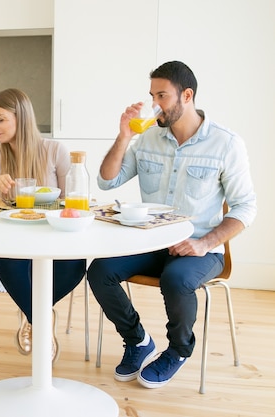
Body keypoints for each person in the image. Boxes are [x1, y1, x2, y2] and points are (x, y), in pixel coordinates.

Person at [87, 61, 257, 389]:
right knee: (99, 272)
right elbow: (108, 181)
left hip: (200, 247)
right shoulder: (148, 138)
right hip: (150, 242)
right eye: (152, 95)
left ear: (187, 96)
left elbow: (246, 207)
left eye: (162, 95)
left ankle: (178, 350)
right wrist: (124, 137)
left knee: (175, 279)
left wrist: (205, 243)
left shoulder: (226, 144)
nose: (155, 104)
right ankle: (137, 340)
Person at [0, 88, 87, 363]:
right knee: (9, 264)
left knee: (75, 265)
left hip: (52, 235)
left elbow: (71, 197)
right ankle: (42, 323)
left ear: (21, 117)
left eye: (0, 119)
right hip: (10, 237)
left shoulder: (54, 150)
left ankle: (33, 315)